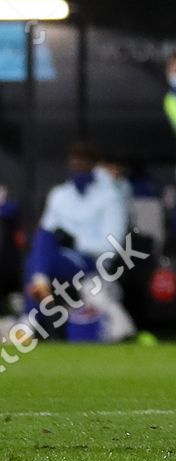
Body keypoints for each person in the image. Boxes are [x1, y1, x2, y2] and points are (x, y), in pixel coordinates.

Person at [20, 142, 136, 343]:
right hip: (59, 258)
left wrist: (76, 241)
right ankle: (40, 286)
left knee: (38, 260)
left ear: (94, 166)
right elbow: (46, 233)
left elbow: (112, 246)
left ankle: (30, 318)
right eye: (75, 164)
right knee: (44, 239)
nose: (79, 168)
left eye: (84, 164)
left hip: (92, 262)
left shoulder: (110, 196)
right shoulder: (59, 195)